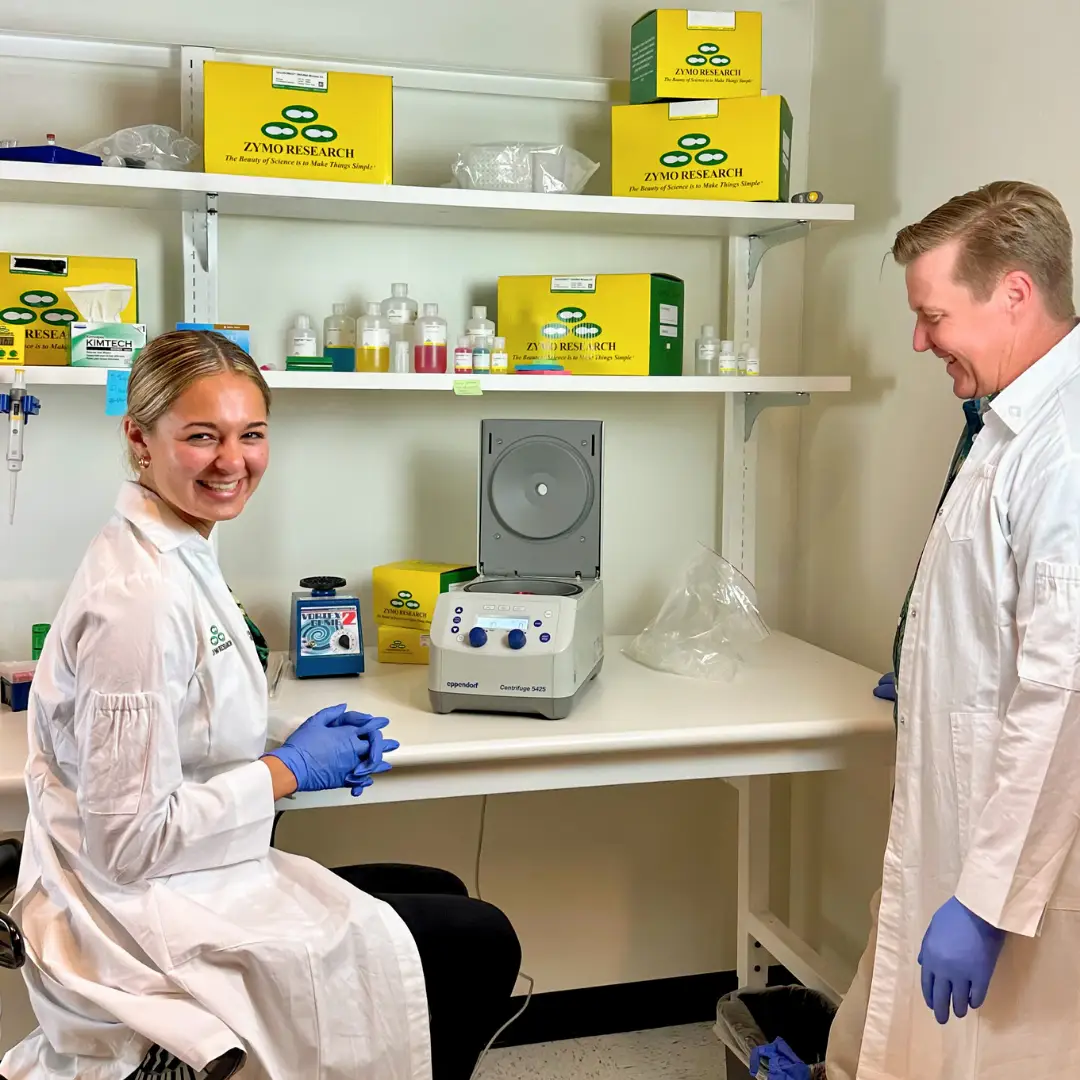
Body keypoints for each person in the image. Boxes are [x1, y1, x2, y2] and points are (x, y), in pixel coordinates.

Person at [0, 331, 521, 1080]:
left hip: (179, 881)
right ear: (139, 439)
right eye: (202, 436)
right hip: (136, 920)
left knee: (438, 894)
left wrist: (289, 739)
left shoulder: (177, 546)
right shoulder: (138, 600)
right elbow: (128, 844)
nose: (232, 462)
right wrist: (288, 768)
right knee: (479, 940)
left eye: (252, 435)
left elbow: (186, 726)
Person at [825, 180, 1080, 1080]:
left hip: (1022, 880)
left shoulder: (1065, 447)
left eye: (933, 315)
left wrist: (985, 902)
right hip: (957, 832)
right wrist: (935, 667)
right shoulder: (1007, 425)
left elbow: (1062, 693)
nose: (919, 339)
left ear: (1014, 292)